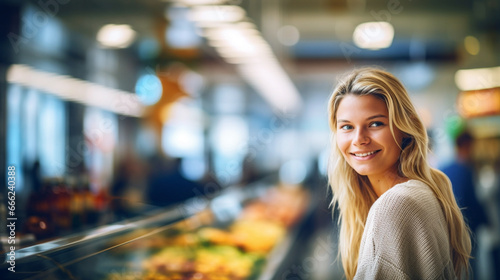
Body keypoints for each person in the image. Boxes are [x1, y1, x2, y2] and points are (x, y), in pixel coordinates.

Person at [327, 68, 471, 279]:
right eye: (347, 127)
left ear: (403, 129)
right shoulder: (419, 192)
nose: (359, 139)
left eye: (375, 124)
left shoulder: (395, 205)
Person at [441, 130, 488, 278]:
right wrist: (486, 221)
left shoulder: (444, 169)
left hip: (449, 228)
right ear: (467, 145)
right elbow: (472, 201)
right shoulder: (467, 170)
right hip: (468, 228)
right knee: (472, 268)